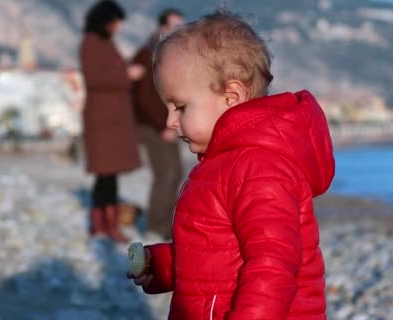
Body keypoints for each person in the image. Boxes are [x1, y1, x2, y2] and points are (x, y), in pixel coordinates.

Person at [127, 10, 335, 319]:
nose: (171, 122)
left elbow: (273, 265)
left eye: (180, 107)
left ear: (231, 97)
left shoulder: (259, 168)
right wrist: (160, 265)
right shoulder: (220, 164)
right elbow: (213, 252)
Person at [80, 1, 144, 243]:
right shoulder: (90, 43)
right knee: (105, 175)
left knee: (110, 175)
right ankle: (102, 225)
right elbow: (95, 78)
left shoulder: (104, 43)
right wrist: (126, 75)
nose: (117, 27)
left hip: (112, 120)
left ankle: (107, 223)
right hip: (103, 120)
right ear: (105, 21)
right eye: (115, 22)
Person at [131, 8, 185, 239]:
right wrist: (162, 124)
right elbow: (145, 96)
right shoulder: (149, 53)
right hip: (151, 124)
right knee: (166, 173)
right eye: (174, 25)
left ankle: (169, 226)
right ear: (162, 26)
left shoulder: (166, 53)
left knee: (176, 172)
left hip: (164, 123)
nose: (178, 30)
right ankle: (156, 227)